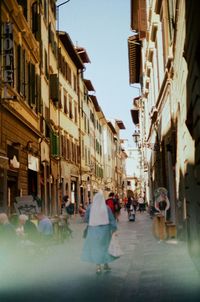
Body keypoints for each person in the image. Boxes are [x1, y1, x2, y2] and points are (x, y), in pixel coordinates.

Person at [81, 191, 119, 274]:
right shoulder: (106, 208)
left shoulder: (90, 207)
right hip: (105, 231)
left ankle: (98, 267)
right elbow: (111, 219)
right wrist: (114, 228)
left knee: (96, 248)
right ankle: (106, 264)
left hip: (93, 230)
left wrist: (92, 221)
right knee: (105, 247)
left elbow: (86, 219)